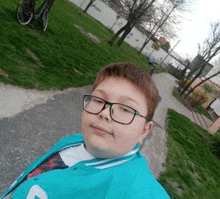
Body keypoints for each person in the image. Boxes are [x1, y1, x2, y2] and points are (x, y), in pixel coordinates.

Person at [1, 62, 170, 198]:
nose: (104, 113)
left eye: (126, 109)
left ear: (144, 131)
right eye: (98, 100)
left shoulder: (138, 191)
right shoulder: (72, 141)